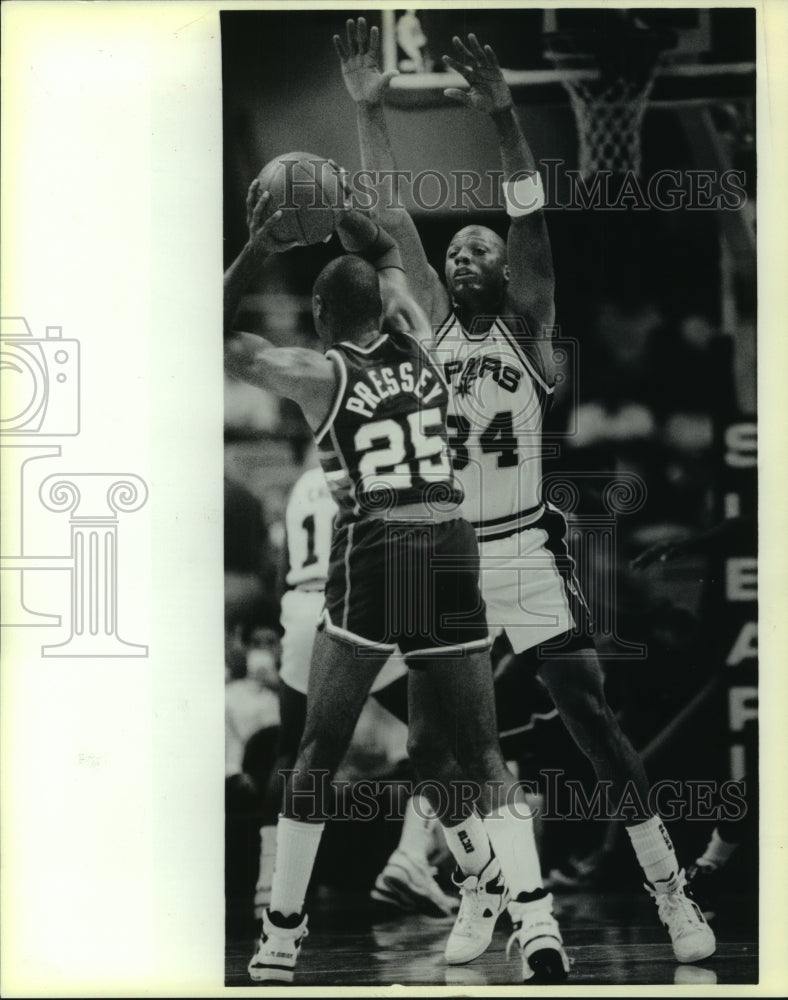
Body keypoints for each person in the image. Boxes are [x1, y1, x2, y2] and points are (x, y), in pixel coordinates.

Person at [334, 18, 716, 966]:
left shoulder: (530, 329)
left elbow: (528, 212)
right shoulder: (425, 328)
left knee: (591, 717)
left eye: (477, 248)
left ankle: (669, 888)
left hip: (521, 547)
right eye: (453, 249)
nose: (461, 256)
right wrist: (367, 110)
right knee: (432, 752)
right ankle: (482, 886)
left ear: (505, 269)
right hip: (445, 555)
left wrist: (505, 117)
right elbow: (386, 214)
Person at [224, 191, 570, 983]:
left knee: (315, 751)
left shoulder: (316, 372)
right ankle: (539, 922)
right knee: (481, 755)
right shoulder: (422, 340)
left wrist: (259, 246)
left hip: (379, 548)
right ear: (383, 303)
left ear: (317, 311)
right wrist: (344, 207)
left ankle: (280, 936)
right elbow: (388, 250)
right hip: (450, 544)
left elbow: (211, 338)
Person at [254, 449, 457, 921]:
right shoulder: (374, 471)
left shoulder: (303, 483)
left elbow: (284, 567)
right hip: (355, 607)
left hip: (302, 608)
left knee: (292, 750)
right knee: (441, 736)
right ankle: (411, 857)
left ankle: (269, 881)